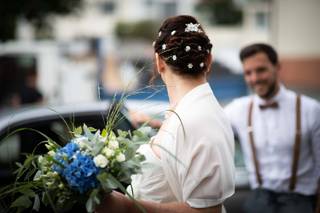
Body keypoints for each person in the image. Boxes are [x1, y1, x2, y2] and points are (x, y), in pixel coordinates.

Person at [96, 15, 235, 213]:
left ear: (159, 62)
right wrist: (155, 124)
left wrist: (127, 206)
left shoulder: (199, 119)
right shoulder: (187, 112)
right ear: (209, 60)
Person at [224, 43, 320, 213]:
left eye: (261, 70)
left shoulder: (311, 109)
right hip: (258, 201)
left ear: (277, 67)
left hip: (300, 202)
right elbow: (206, 127)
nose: (254, 78)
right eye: (248, 73)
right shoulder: (237, 109)